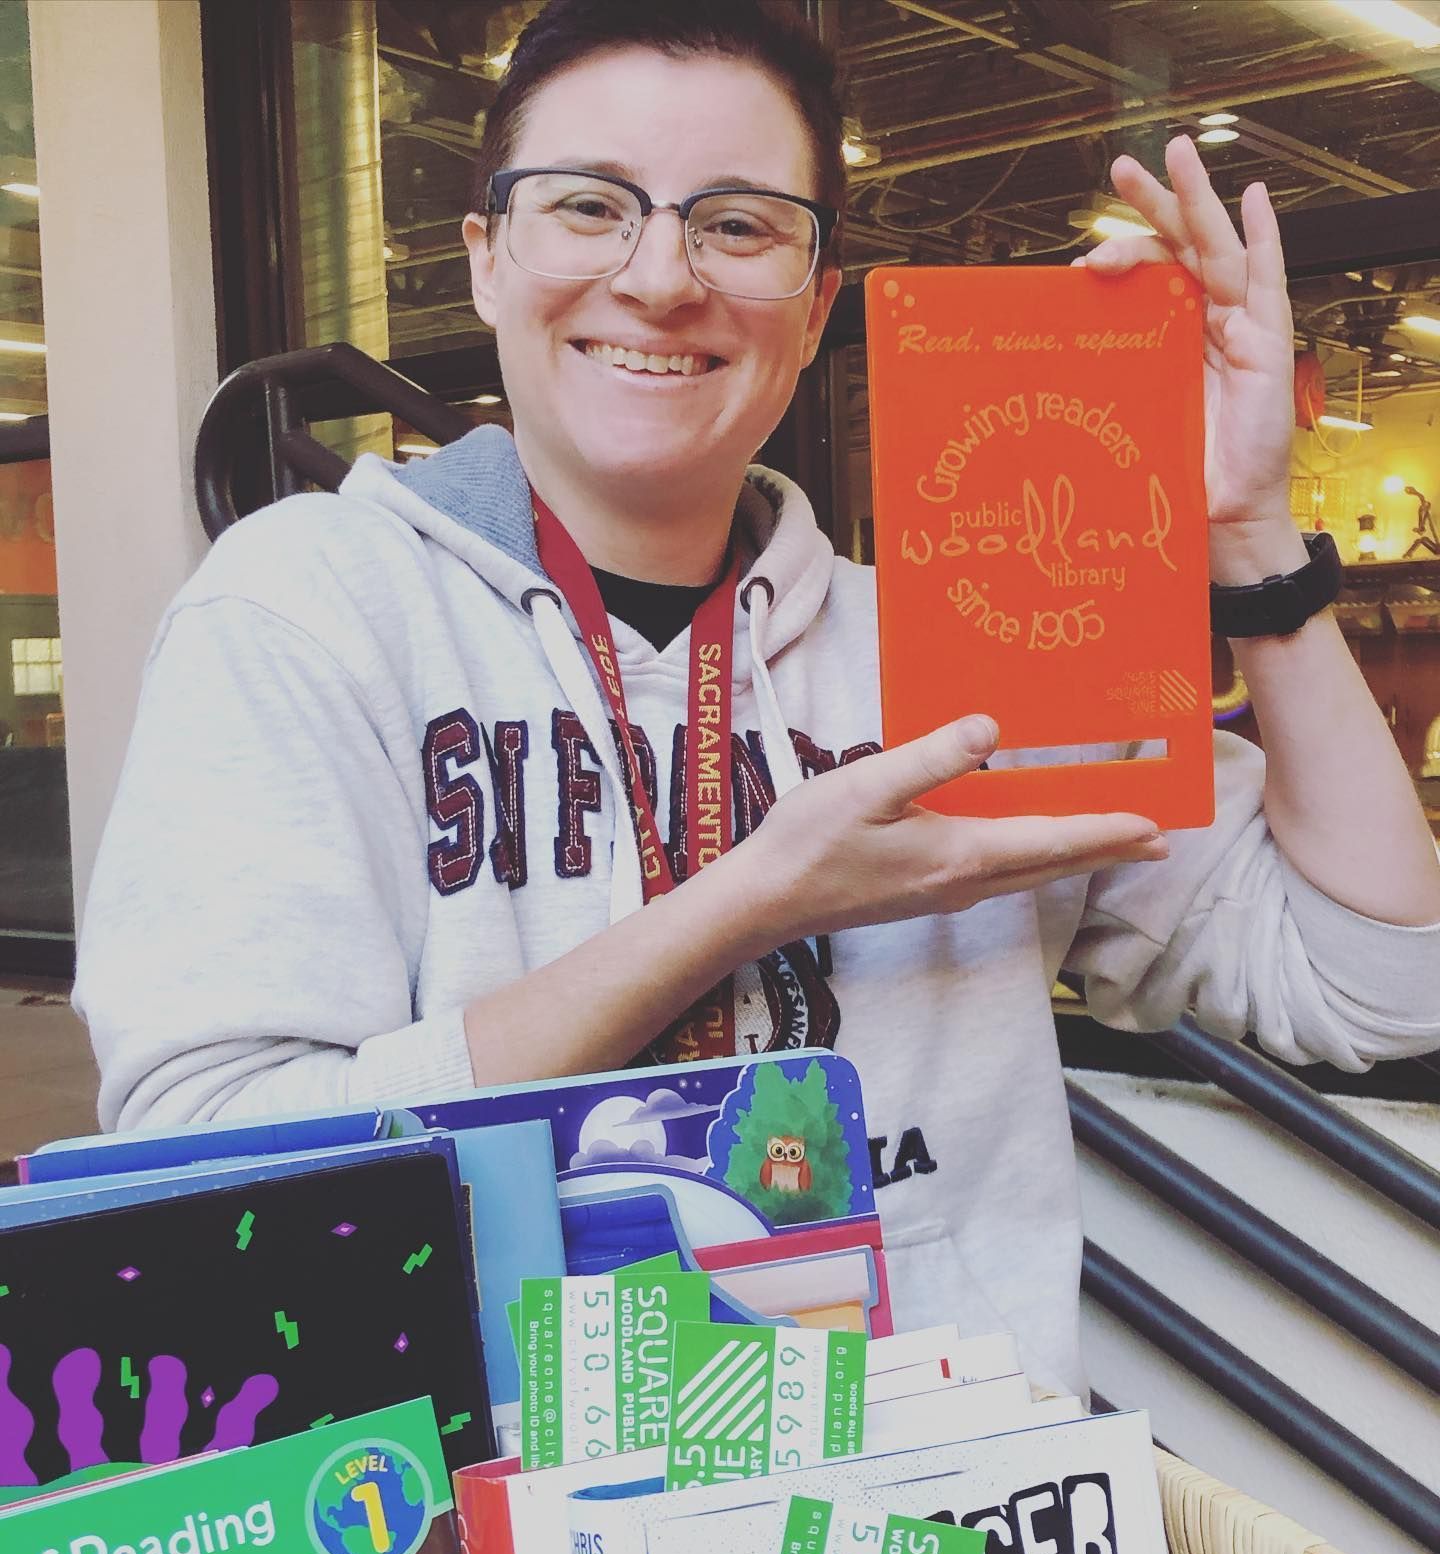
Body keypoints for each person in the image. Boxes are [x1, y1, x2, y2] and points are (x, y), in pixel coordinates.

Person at [74, 0, 1440, 1397]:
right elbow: (207, 1158)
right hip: (475, 1529)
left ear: (818, 302)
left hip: (929, 1514)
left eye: (739, 225)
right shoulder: (308, 610)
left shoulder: (974, 640)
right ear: (486, 260)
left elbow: (1383, 984)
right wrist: (747, 900)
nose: (661, 276)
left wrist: (1251, 535)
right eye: (590, 204)